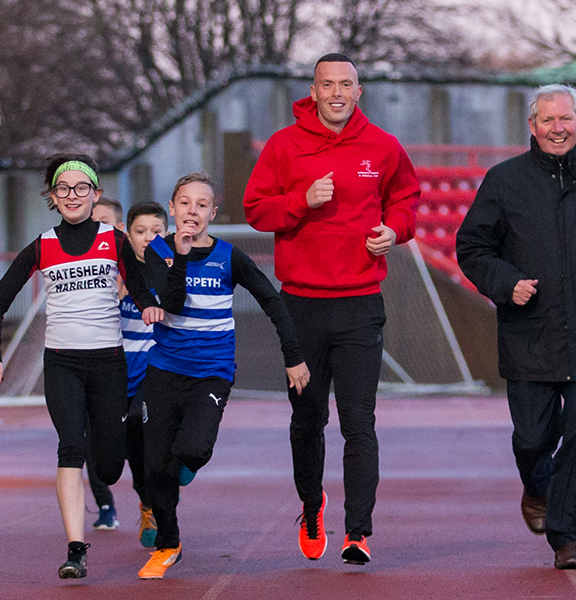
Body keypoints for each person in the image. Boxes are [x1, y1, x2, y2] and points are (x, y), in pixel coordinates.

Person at [456, 84, 576, 569]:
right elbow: (472, 247)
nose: (557, 128)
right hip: (531, 333)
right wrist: (506, 283)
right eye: (547, 120)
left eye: (565, 118)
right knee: (531, 439)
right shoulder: (503, 181)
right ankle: (537, 487)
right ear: (532, 125)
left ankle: (568, 537)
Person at [243, 53, 419, 566]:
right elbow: (256, 209)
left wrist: (395, 230)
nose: (337, 92)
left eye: (346, 84)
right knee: (307, 420)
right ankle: (312, 503)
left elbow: (406, 200)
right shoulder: (284, 145)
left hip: (361, 304)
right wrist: (301, 199)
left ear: (359, 92)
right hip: (301, 307)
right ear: (313, 91)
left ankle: (358, 531)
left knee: (359, 423)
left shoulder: (384, 147)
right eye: (327, 84)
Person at [0, 154, 159, 578]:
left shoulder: (113, 240)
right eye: (64, 189)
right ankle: (76, 549)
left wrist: (150, 305)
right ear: (53, 197)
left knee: (109, 464)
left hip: (109, 363)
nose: (73, 195)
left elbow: (138, 284)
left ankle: (129, 489)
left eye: (82, 188)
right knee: (70, 448)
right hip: (62, 363)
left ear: (95, 194)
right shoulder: (43, 245)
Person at [138, 173, 309, 579]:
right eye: (185, 203)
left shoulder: (229, 257)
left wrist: (294, 356)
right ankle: (168, 544)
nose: (192, 211)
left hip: (211, 373)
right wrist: (178, 256)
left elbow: (271, 299)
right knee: (154, 468)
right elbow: (173, 304)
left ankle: (184, 467)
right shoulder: (156, 252)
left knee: (193, 450)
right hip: (163, 370)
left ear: (212, 213)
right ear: (173, 208)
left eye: (201, 205)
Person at [82, 200, 163, 544]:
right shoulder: (100, 272)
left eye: (107, 225)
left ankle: (156, 506)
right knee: (119, 452)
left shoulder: (159, 266)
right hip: (111, 370)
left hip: (150, 369)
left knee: (144, 431)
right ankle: (135, 501)